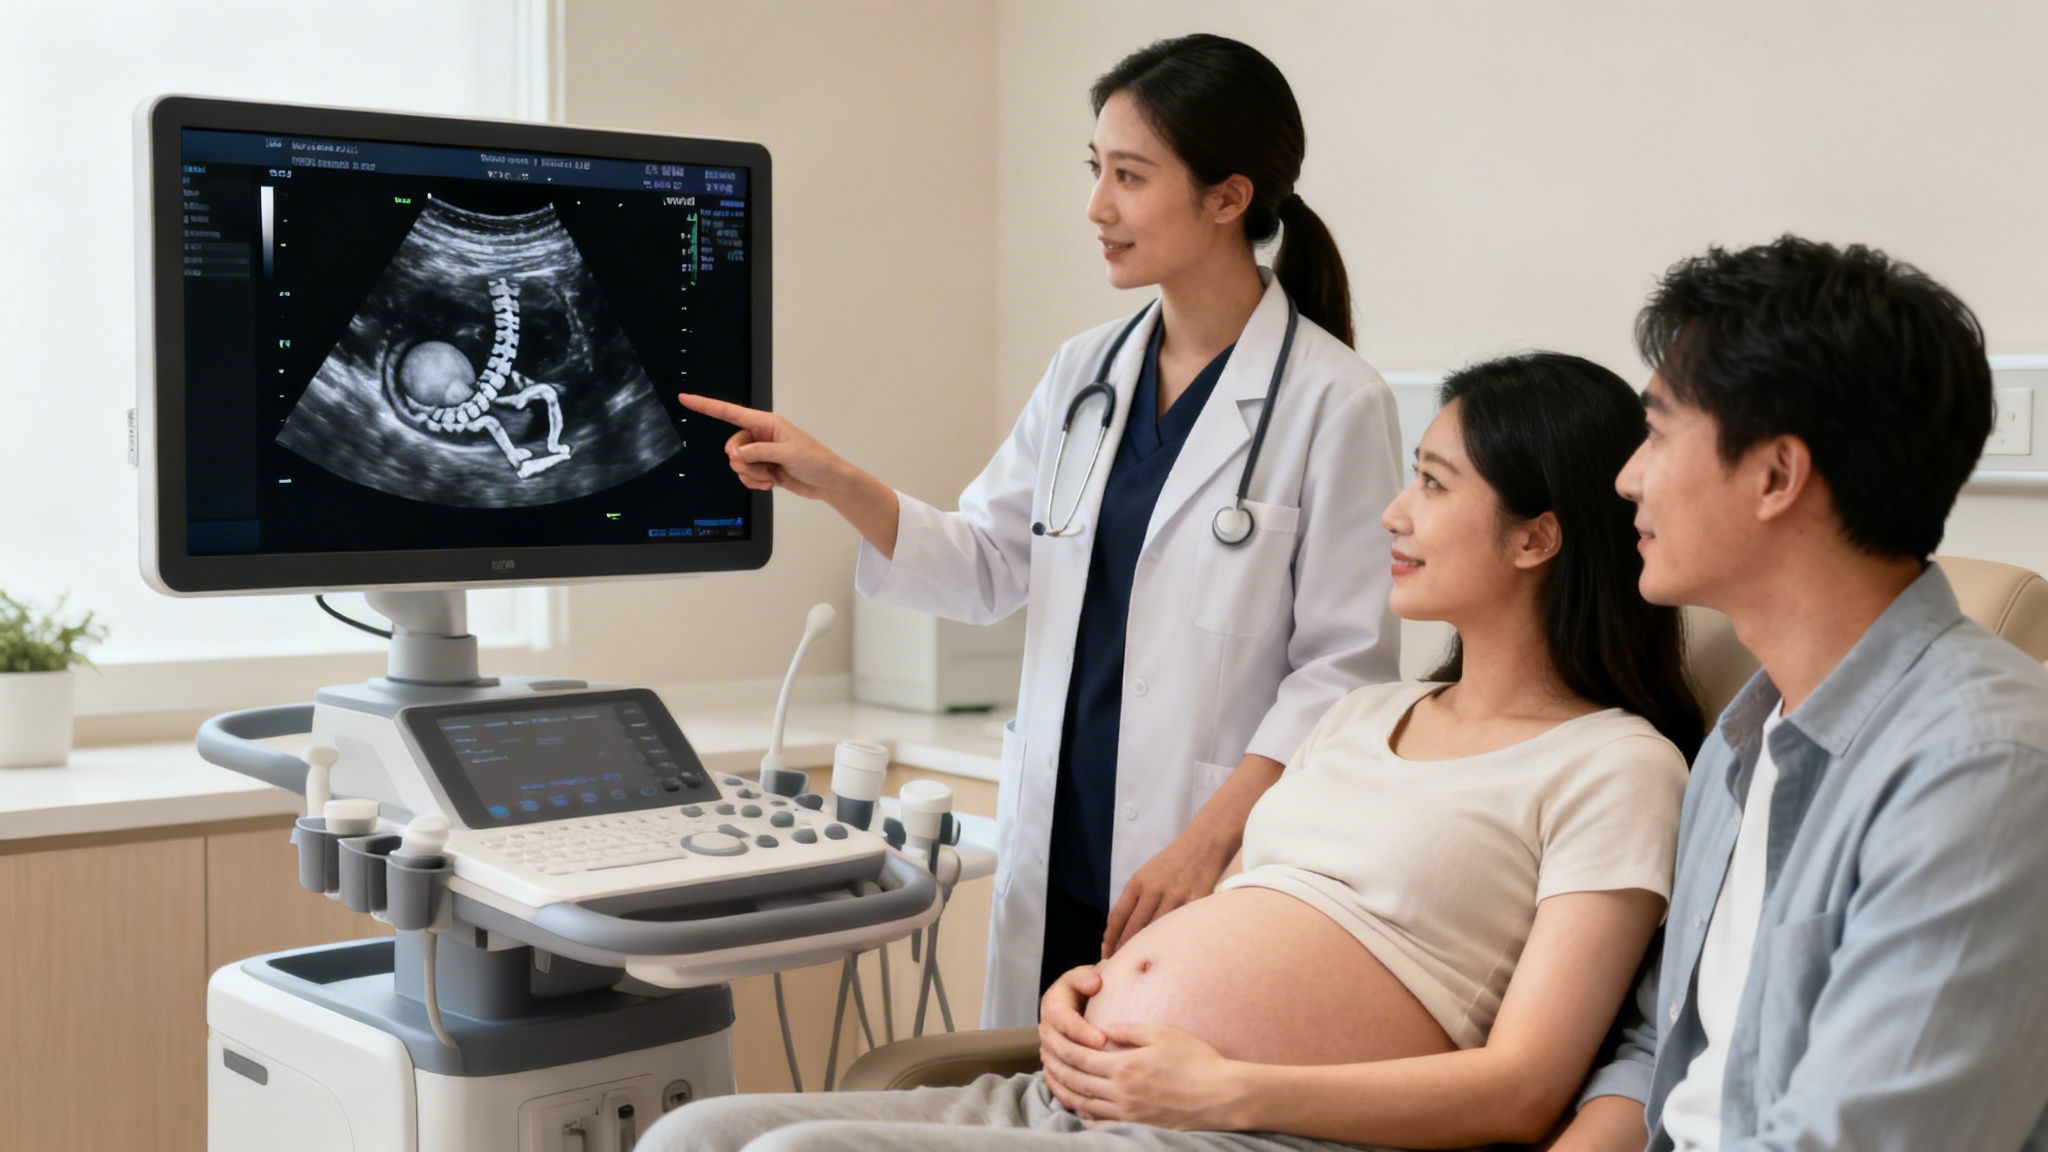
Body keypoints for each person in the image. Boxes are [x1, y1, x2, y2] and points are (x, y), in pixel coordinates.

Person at [640, 351, 1705, 1152]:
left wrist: (1217, 1092)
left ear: (1536, 536)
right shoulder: (1356, 717)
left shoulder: (1611, 767)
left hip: (1255, 1132)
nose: (1392, 511)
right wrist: (1087, 992)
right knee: (691, 1138)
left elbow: (1521, 1088)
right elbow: (1232, 929)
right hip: (1094, 1089)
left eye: (1430, 482)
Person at [679, 34, 1404, 1026]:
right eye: (1095, 170)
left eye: (1129, 177)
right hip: (1058, 839)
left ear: (1227, 197)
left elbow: (1343, 670)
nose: (1096, 207)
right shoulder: (1084, 375)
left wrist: (1205, 842)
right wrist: (835, 478)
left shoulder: (1334, 400)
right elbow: (985, 563)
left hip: (1206, 861)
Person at [1548, 237, 2048, 1151]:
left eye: (1656, 433)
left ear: (1777, 475)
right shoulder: (1743, 738)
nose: (1627, 477)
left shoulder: (1987, 768)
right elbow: (1667, 1043)